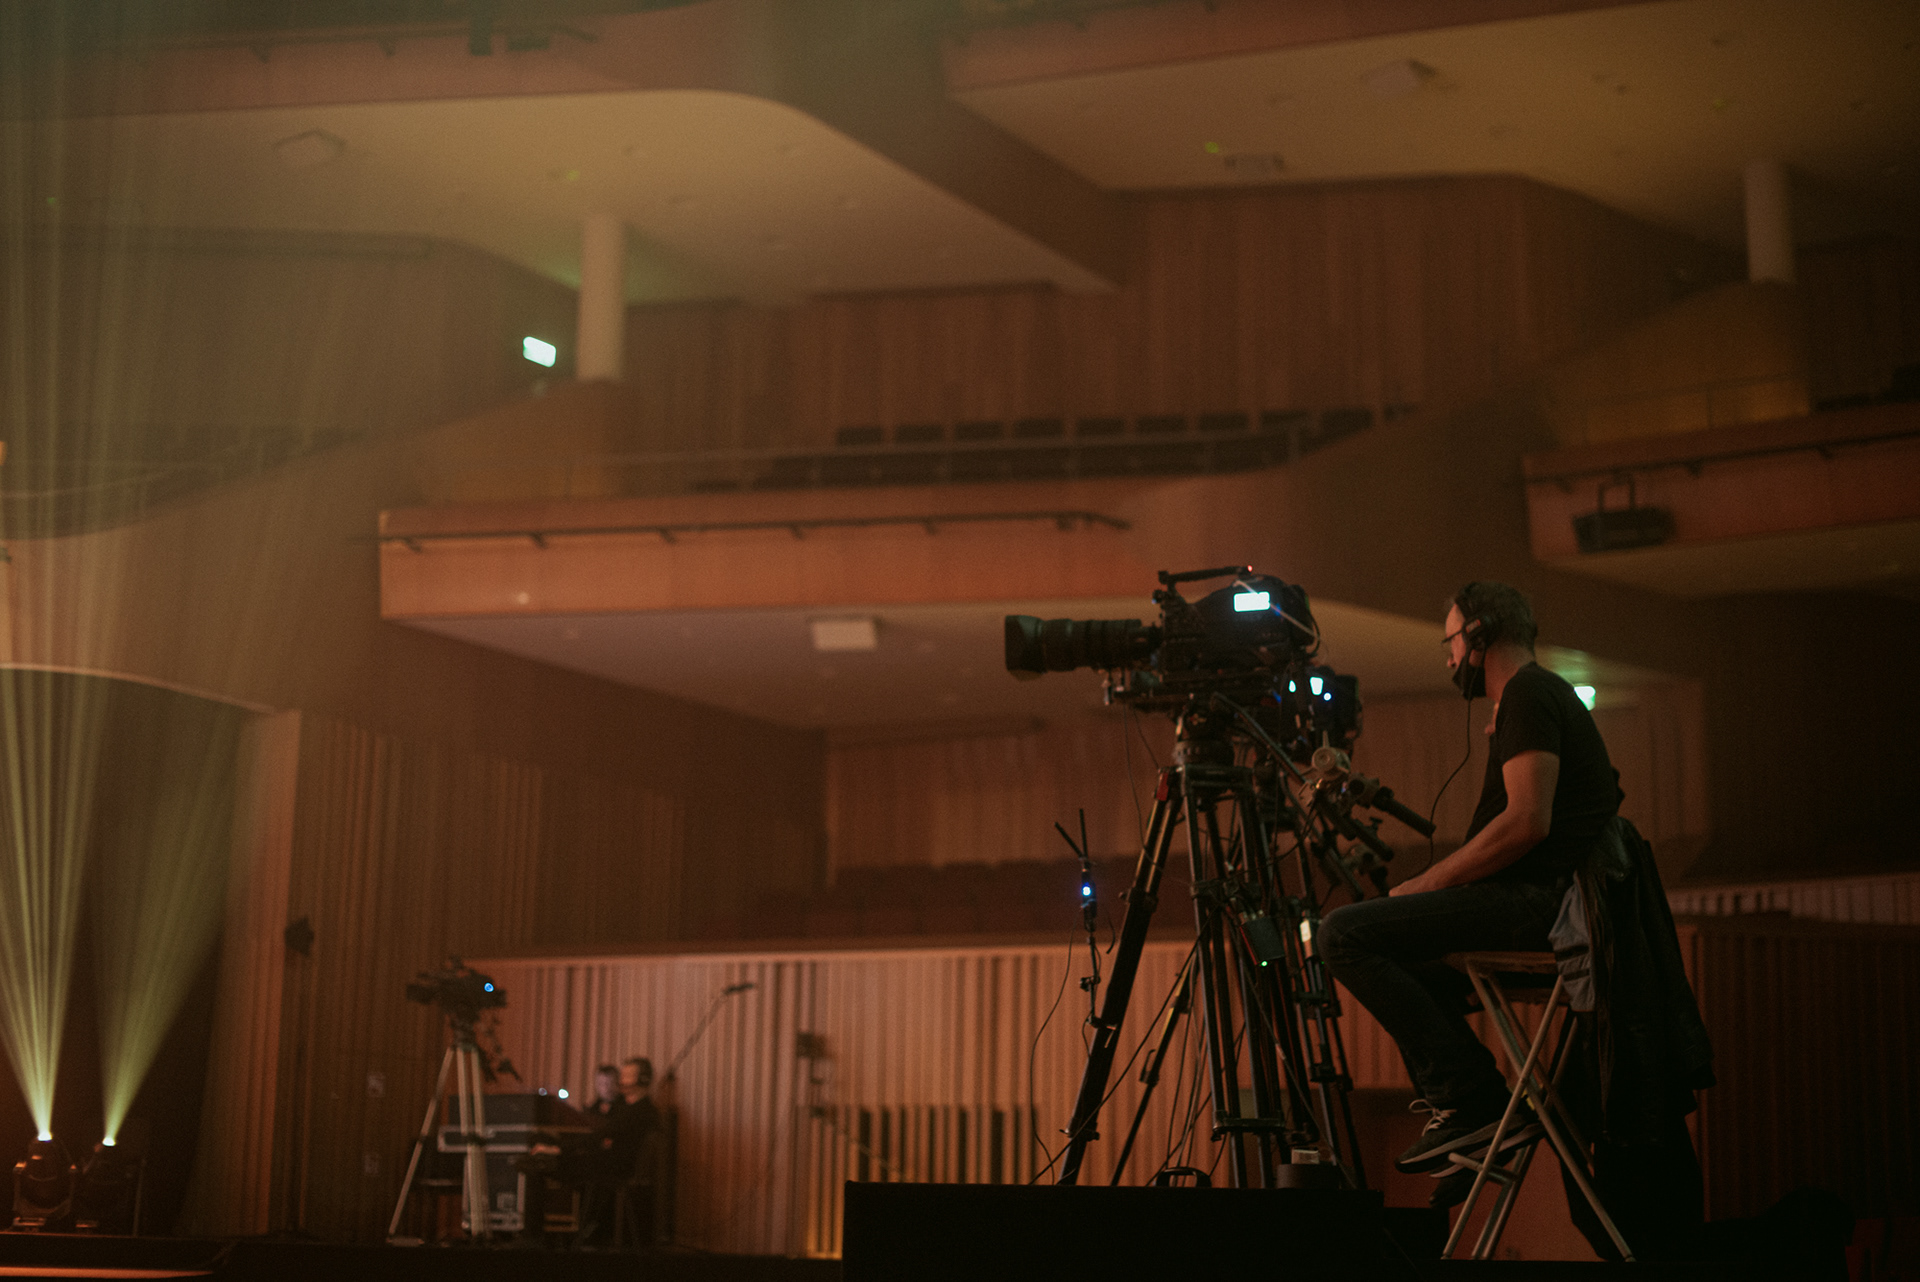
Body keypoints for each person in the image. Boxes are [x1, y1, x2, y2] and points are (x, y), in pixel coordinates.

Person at [1318, 581, 1622, 1179]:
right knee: (1406, 970)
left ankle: (1471, 1100)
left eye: (1452, 642)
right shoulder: (1531, 699)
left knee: (1342, 935)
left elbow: (1527, 823)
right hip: (1548, 903)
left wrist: (1426, 885)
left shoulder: (1529, 693)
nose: (1450, 658)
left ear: (1479, 636)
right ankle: (1467, 1121)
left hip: (1537, 906)